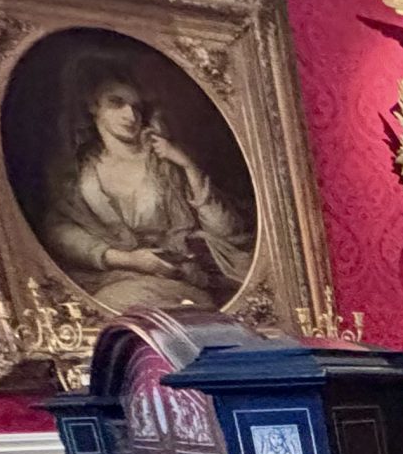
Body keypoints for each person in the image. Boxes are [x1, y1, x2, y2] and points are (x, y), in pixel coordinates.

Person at [40, 68, 254, 311]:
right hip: (109, 279)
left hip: (176, 281)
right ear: (93, 106)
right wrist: (127, 260)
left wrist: (188, 166)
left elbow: (226, 230)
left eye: (136, 107)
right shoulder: (80, 172)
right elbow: (59, 232)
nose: (130, 115)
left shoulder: (164, 164)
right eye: (116, 103)